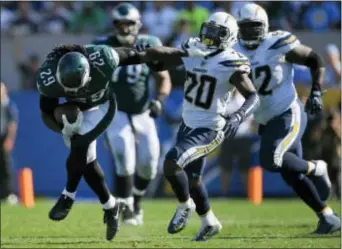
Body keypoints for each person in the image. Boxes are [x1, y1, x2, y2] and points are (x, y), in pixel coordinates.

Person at [36, 42, 206, 240]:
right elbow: (47, 114)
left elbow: (147, 54)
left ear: (88, 73)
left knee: (80, 145)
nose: (73, 91)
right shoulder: (47, 77)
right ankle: (110, 205)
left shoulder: (103, 58)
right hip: (75, 113)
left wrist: (185, 53)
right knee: (86, 158)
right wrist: (63, 129)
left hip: (103, 106)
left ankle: (68, 195)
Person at [151, 12, 260, 241]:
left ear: (228, 37)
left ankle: (184, 205)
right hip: (187, 123)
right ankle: (209, 221)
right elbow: (169, 60)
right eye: (208, 30)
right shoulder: (194, 48)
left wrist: (239, 116)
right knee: (193, 180)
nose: (209, 36)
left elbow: (253, 96)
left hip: (209, 129)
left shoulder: (230, 61)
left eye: (216, 32)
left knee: (172, 161)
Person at [234, 3, 340, 234]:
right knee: (292, 174)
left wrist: (315, 90)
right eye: (246, 27)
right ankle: (327, 217)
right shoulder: (232, 50)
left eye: (255, 27)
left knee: (270, 159)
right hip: (265, 120)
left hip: (287, 113)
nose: (251, 32)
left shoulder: (277, 43)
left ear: (265, 26)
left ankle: (317, 167)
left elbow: (314, 59)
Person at [92, 3, 172, 226]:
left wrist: (160, 101)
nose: (125, 29)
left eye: (129, 24)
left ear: (138, 25)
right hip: (114, 110)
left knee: (150, 162)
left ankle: (136, 202)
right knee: (123, 153)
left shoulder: (150, 44)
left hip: (142, 110)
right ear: (114, 25)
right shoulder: (102, 46)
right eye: (120, 24)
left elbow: (163, 78)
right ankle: (125, 206)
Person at [0, 82, 19, 205]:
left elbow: (12, 124)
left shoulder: (7, 105)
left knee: (6, 166)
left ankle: (9, 194)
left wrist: (9, 139)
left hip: (3, 138)